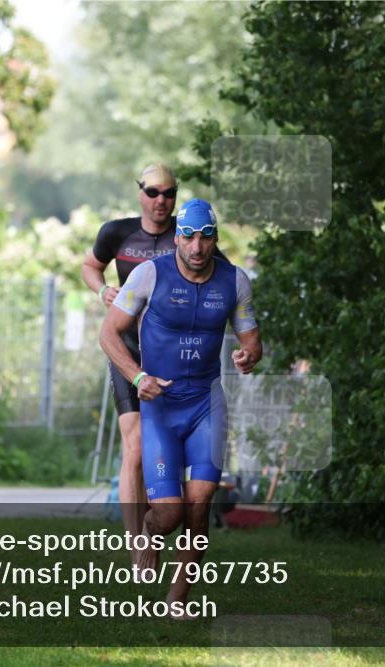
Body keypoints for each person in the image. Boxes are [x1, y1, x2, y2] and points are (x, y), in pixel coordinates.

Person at [100, 198, 261, 615]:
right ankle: (151, 534)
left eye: (205, 238)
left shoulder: (235, 281)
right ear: (177, 238)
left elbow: (251, 339)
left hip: (207, 405)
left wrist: (249, 355)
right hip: (162, 408)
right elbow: (109, 335)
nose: (196, 247)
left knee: (199, 505)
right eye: (188, 237)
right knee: (168, 515)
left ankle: (176, 601)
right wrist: (137, 377)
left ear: (214, 239)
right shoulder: (148, 275)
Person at [81, 165, 225, 564]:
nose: (160, 200)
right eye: (153, 192)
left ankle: (161, 520)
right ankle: (139, 543)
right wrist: (104, 291)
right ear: (140, 193)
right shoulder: (117, 232)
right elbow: (89, 267)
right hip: (129, 352)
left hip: (179, 363)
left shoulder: (191, 238)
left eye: (169, 193)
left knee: (170, 450)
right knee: (137, 447)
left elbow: (220, 277)